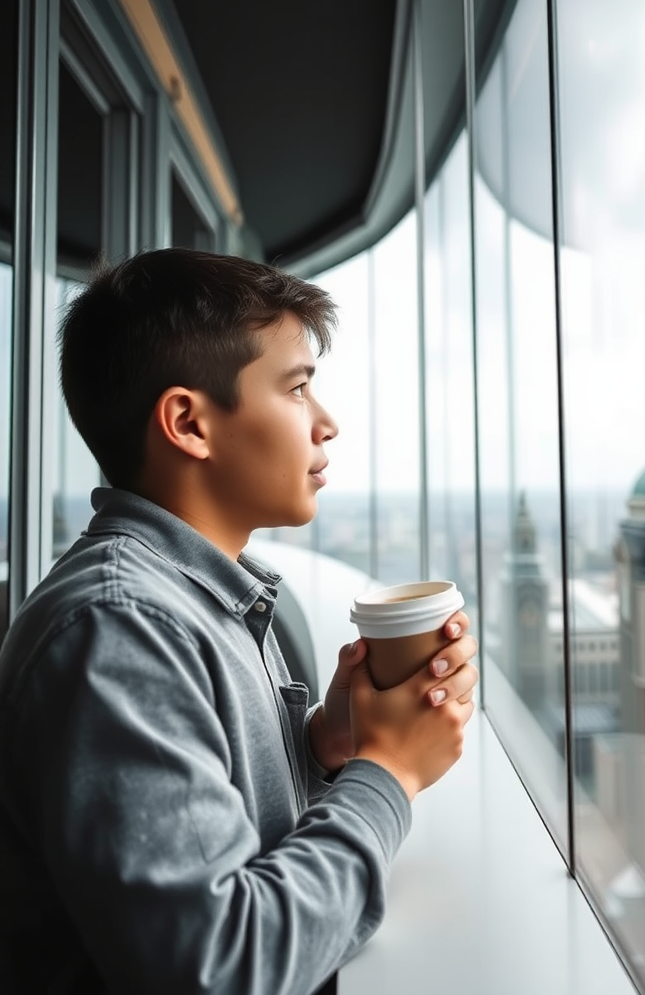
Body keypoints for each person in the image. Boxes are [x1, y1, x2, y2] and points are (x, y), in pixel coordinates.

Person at [0, 248, 477, 995]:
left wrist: (321, 749)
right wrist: (389, 774)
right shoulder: (120, 629)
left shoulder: (196, 599)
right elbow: (221, 967)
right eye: (297, 389)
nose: (328, 424)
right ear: (189, 423)